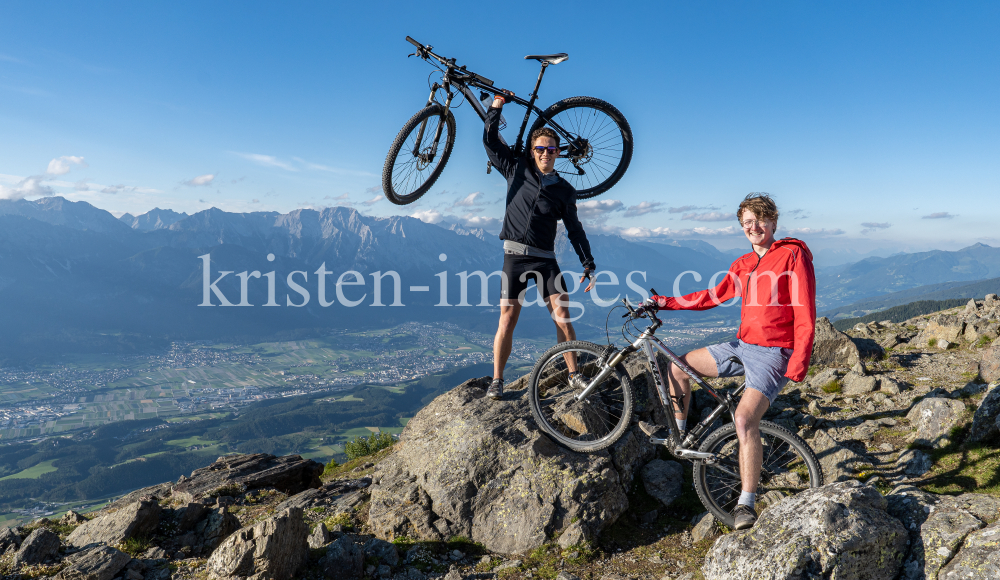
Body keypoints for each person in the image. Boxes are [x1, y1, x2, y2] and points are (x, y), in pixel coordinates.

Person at [637, 193, 816, 530]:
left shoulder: (792, 255)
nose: (754, 227)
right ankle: (678, 433)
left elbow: (805, 310)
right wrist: (665, 302)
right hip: (742, 345)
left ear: (774, 222)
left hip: (774, 353)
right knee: (679, 365)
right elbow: (712, 297)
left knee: (744, 420)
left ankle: (745, 503)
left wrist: (799, 360)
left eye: (760, 219)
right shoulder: (743, 264)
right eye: (747, 222)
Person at [483, 91, 596, 401]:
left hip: (546, 260)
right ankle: (497, 380)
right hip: (514, 258)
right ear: (532, 151)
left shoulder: (564, 190)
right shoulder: (516, 169)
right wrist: (496, 105)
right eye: (540, 148)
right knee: (507, 318)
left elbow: (574, 229)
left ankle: (573, 375)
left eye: (551, 149)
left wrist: (588, 263)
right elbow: (491, 141)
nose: (546, 153)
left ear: (558, 152)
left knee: (563, 316)